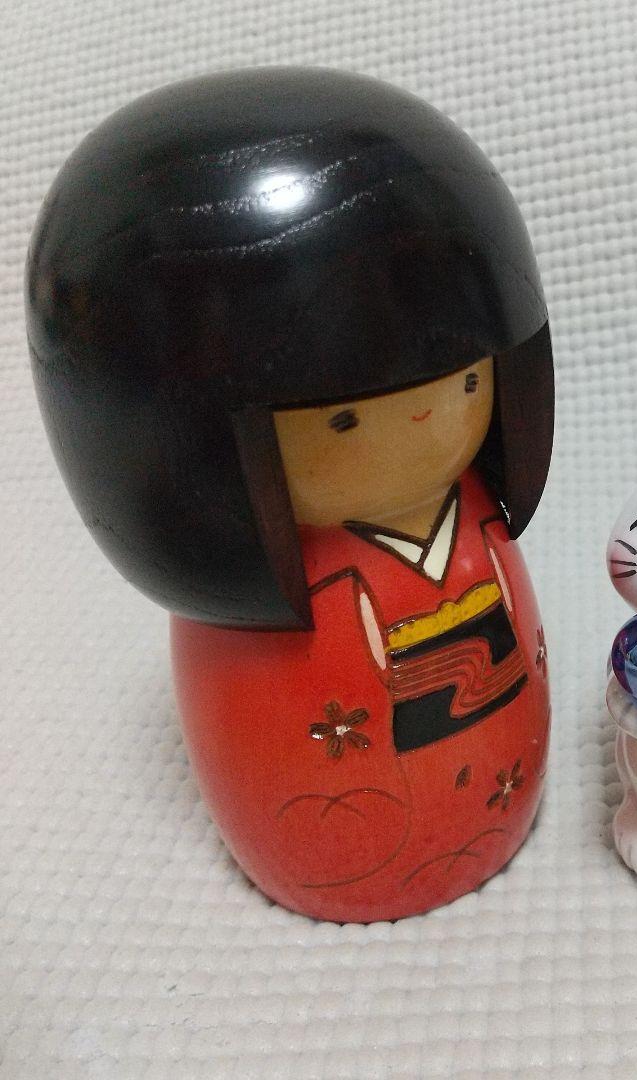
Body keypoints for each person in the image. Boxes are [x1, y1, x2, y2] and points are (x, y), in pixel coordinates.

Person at [28, 67, 554, 921]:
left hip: (489, 753)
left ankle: (481, 819)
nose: (428, 418)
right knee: (353, 830)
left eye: (467, 384)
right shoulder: (260, 586)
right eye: (344, 421)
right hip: (352, 790)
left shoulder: (475, 516)